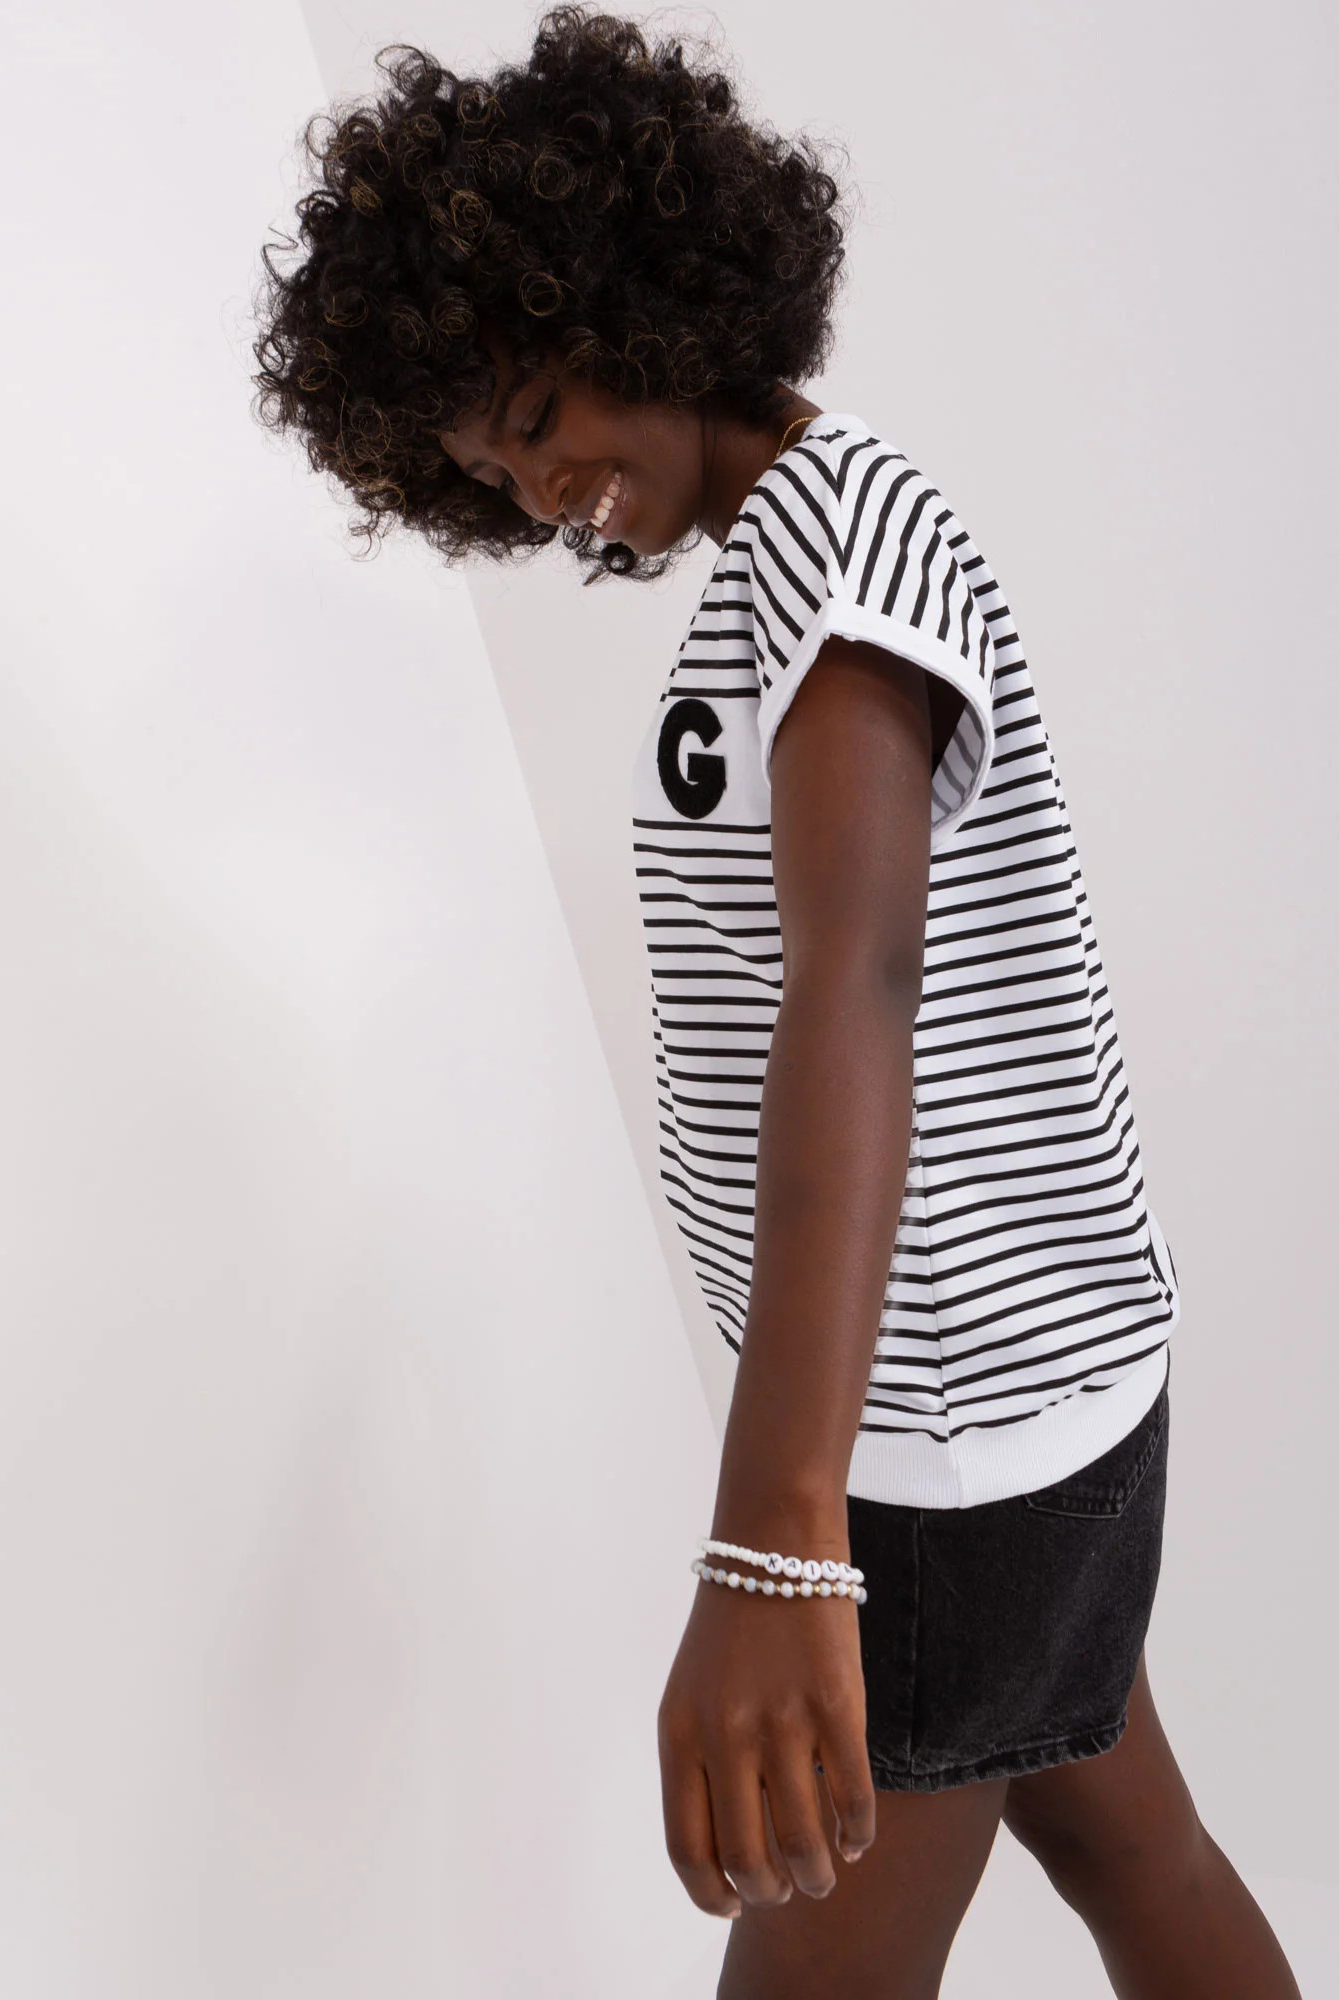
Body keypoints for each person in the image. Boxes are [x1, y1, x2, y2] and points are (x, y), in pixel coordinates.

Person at [252, 9, 1302, 1995]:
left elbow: (858, 982)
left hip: (943, 1439)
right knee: (1128, 1836)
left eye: (544, 408)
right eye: (491, 468)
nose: (545, 485)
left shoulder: (840, 546)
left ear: (649, 301)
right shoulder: (783, 562)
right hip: (1026, 1389)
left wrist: (777, 1532)